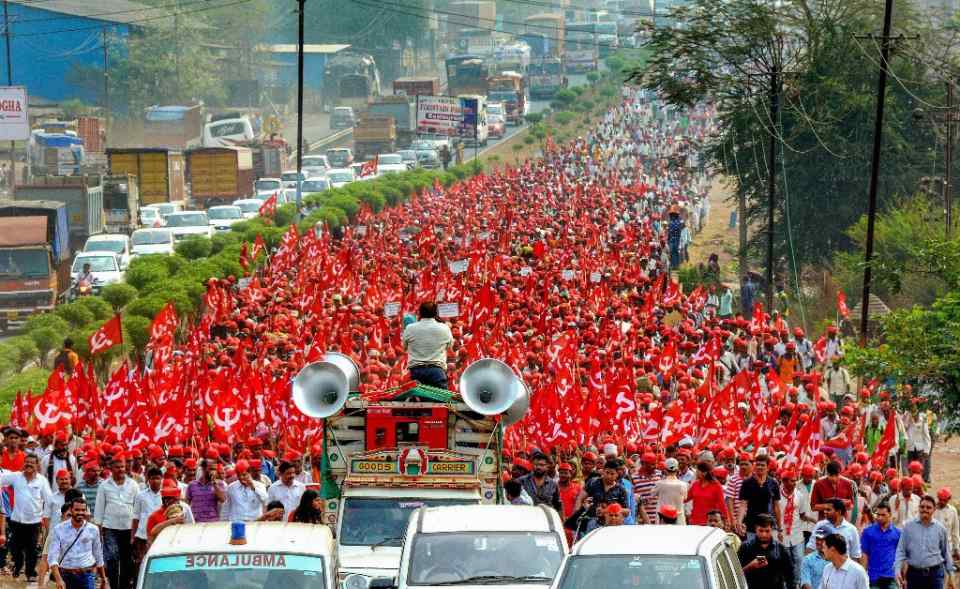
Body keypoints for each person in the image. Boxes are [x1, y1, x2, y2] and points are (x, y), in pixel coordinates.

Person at [1, 454, 52, 581]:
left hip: (34, 522)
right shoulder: (16, 477)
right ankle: (17, 566)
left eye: (32, 463)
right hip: (16, 520)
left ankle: (30, 572)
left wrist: (45, 516)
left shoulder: (42, 481)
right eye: (27, 462)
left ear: (37, 465)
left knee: (32, 549)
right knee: (15, 548)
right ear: (24, 463)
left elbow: (49, 500)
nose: (29, 465)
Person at [94, 453, 139, 589]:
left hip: (128, 528)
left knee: (127, 560)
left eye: (122, 467)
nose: (120, 469)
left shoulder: (133, 485)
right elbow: (99, 508)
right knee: (112, 559)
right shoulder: (104, 486)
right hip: (110, 528)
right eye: (117, 467)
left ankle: (125, 586)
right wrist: (98, 528)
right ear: (111, 468)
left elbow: (137, 508)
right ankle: (113, 585)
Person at [48, 498, 109, 589]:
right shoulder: (59, 529)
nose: (80, 513)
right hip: (65, 575)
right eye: (77, 510)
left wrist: (104, 579)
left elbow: (98, 555)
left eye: (83, 510)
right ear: (71, 510)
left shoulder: (93, 529)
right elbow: (52, 557)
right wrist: (58, 580)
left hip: (87, 575)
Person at [895, 495, 953, 589]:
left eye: (928, 507)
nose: (925, 509)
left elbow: (946, 553)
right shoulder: (908, 527)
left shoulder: (940, 529)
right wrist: (897, 570)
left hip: (935, 575)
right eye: (922, 507)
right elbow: (901, 550)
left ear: (934, 509)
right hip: (914, 575)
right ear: (918, 508)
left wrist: (951, 574)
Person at [401, 301, 454, 389]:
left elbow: (404, 347)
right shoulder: (445, 328)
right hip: (437, 372)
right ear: (436, 313)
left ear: (420, 313)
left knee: (415, 401)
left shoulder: (410, 328)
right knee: (441, 401)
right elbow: (449, 347)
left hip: (416, 372)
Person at [738, 513, 795, 589]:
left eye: (767, 531)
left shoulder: (781, 549)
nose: (764, 534)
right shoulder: (745, 547)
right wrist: (750, 566)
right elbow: (736, 574)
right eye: (761, 531)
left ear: (772, 530)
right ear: (755, 529)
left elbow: (790, 575)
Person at [739, 455, 781, 540]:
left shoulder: (773, 483)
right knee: (753, 552)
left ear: (767, 467)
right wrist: (739, 521)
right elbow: (743, 504)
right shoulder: (747, 483)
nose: (760, 467)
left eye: (762, 465)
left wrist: (779, 527)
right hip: (751, 526)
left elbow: (776, 506)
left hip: (768, 526)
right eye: (757, 465)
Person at [131, 467, 163, 579]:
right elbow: (135, 517)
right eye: (153, 478)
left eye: (158, 478)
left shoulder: (165, 496)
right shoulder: (141, 495)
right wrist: (133, 537)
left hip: (160, 536)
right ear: (148, 480)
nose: (155, 481)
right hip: (142, 536)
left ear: (161, 479)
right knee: (142, 564)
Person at [860, 503, 900, 589]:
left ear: (890, 515)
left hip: (891, 576)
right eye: (878, 515)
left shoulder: (897, 533)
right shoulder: (867, 532)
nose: (880, 517)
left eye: (883, 515)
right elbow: (864, 555)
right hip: (874, 577)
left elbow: (901, 555)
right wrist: (863, 575)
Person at [932, 488, 960, 589]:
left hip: (948, 548)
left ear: (949, 499)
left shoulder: (952, 511)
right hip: (933, 548)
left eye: (944, 500)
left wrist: (957, 548)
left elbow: (955, 531)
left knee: (947, 576)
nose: (942, 502)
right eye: (940, 499)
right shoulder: (932, 509)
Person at [687, 461, 729, 526]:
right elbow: (686, 498)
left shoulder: (716, 486)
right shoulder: (695, 484)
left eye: (697, 471)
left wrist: (726, 520)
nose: (696, 473)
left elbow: (722, 504)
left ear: (705, 473)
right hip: (694, 521)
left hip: (710, 522)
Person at [186, 459, 226, 523]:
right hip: (196, 523)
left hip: (213, 522)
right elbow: (187, 504)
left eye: (215, 469)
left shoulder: (219, 483)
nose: (213, 472)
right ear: (203, 469)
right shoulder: (192, 485)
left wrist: (214, 484)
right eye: (211, 469)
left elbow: (223, 499)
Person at [654, 458, 688, 525]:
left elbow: (652, 494)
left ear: (665, 470)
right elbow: (685, 498)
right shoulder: (684, 484)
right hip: (679, 518)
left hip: (663, 519)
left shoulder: (659, 483)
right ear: (677, 469)